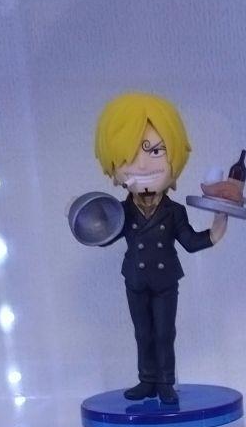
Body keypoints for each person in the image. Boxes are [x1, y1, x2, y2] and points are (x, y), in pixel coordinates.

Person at [93, 93, 226, 404]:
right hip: (135, 280)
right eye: (129, 155)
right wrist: (86, 216)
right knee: (142, 332)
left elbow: (189, 242)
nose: (142, 164)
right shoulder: (121, 211)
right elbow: (105, 236)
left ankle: (166, 381)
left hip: (165, 281)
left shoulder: (174, 212)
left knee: (165, 332)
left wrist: (216, 229)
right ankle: (147, 380)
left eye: (155, 151)